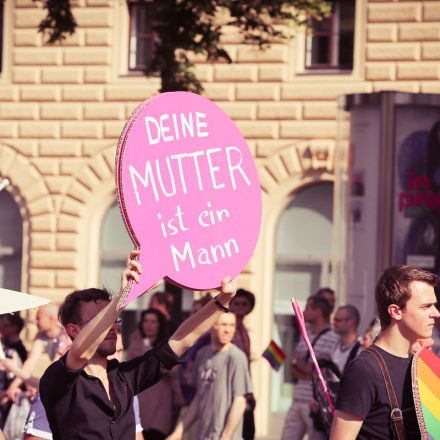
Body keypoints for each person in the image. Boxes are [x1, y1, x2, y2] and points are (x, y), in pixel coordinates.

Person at [39, 250, 237, 440]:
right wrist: (122, 298)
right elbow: (81, 353)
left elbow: (182, 339)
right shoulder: (57, 380)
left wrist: (221, 302)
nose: (111, 327)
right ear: (73, 330)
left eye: (114, 320)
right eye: (101, 319)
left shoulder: (124, 378)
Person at [330, 265, 440, 440]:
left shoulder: (421, 364)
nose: (436, 313)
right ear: (395, 312)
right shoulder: (364, 370)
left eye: (434, 305)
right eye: (426, 307)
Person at [21, 331, 143, 440]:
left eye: (119, 351)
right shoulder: (57, 391)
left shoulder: (126, 388)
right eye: (107, 351)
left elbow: (137, 436)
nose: (115, 358)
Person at [166, 312, 252, 440]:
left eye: (232, 325)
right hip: (203, 434)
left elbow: (240, 401)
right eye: (223, 325)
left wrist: (226, 436)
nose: (228, 330)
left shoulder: (237, 357)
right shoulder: (202, 354)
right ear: (212, 326)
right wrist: (179, 431)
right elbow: (199, 398)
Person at [281, 295, 338, 440]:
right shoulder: (306, 334)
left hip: (315, 402)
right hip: (298, 397)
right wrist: (308, 369)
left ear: (317, 311)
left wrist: (304, 366)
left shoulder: (333, 337)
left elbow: (322, 371)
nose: (304, 311)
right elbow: (293, 367)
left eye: (307, 308)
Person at [128, 309, 184, 439]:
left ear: (159, 324)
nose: (149, 325)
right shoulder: (135, 345)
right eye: (146, 321)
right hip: (141, 402)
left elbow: (175, 370)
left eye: (153, 321)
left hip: (161, 403)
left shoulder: (166, 346)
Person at [5, 303, 69, 403]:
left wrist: (14, 370)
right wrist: (13, 386)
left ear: (51, 319)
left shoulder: (65, 338)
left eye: (38, 318)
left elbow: (53, 369)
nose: (35, 321)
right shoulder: (41, 335)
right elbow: (31, 361)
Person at [230, 288, 256, 440]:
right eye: (236, 303)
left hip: (246, 389)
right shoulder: (227, 328)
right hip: (232, 391)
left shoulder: (244, 331)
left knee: (247, 433)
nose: (240, 307)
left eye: (244, 304)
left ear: (250, 307)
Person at [330, 305, 361, 374]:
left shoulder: (362, 348)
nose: (334, 323)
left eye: (338, 320)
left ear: (351, 322)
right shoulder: (335, 345)